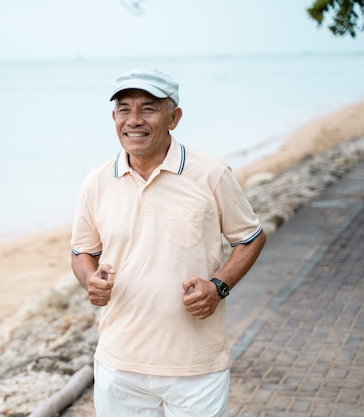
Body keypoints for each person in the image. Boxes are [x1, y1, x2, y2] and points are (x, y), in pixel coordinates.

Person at [70, 68, 266, 417]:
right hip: (120, 364)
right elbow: (83, 251)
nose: (134, 120)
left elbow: (250, 238)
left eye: (149, 108)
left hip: (196, 366)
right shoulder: (96, 182)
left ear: (173, 117)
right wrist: (90, 281)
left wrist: (219, 286)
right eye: (125, 109)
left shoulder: (211, 174)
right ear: (113, 118)